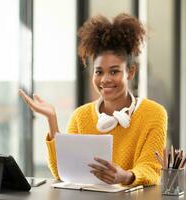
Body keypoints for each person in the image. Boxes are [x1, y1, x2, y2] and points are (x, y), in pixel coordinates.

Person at [19, 13, 167, 186]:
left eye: (114, 71)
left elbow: (151, 168)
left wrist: (126, 176)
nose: (105, 79)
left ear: (130, 72)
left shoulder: (154, 113)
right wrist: (52, 120)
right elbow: (62, 173)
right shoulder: (80, 116)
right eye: (99, 72)